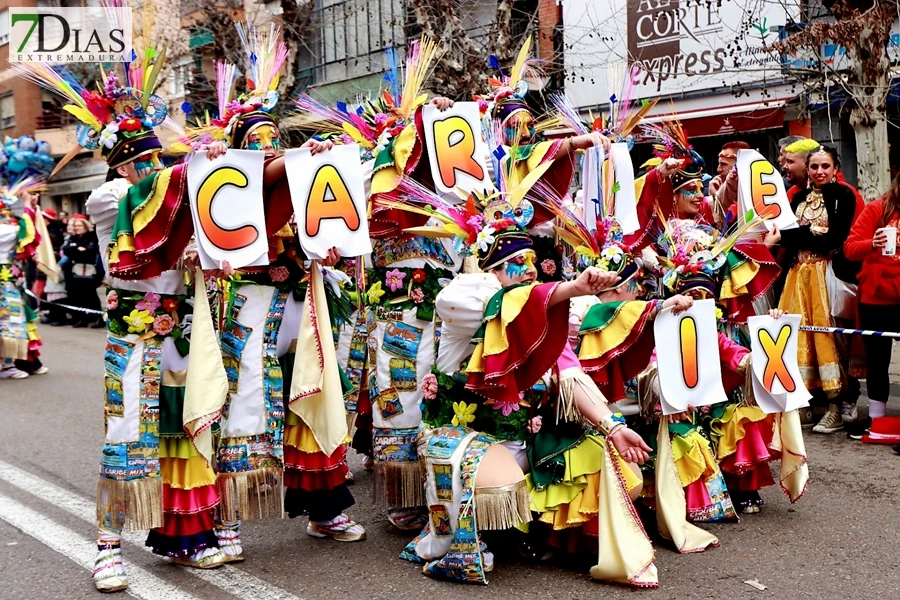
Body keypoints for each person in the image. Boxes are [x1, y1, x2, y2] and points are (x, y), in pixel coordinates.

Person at [776, 144, 861, 434]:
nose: (820, 172)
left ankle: (837, 406)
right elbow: (783, 237)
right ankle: (808, 403)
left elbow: (834, 239)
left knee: (830, 340)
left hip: (825, 275)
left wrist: (799, 234)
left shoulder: (844, 196)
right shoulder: (798, 196)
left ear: (835, 167)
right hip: (797, 275)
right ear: (808, 170)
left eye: (825, 166)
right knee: (799, 338)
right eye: (814, 167)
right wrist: (807, 233)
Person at [843, 171, 900, 434]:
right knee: (878, 359)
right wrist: (871, 242)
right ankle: (877, 420)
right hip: (877, 296)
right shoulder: (877, 208)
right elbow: (850, 248)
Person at [0, 178, 52, 379]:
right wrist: (28, 207)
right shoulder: (6, 230)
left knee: (13, 320)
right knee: (8, 321)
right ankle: (6, 365)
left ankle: (16, 362)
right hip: (5, 282)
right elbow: (25, 234)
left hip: (9, 280)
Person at [60, 214, 103, 327]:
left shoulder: (91, 237)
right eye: (75, 225)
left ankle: (97, 318)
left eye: (79, 225)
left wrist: (78, 251)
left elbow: (90, 252)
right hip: (75, 271)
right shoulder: (73, 238)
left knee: (91, 295)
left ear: (85, 226)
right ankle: (81, 318)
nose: (77, 227)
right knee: (78, 296)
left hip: (89, 271)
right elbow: (66, 250)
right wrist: (77, 249)